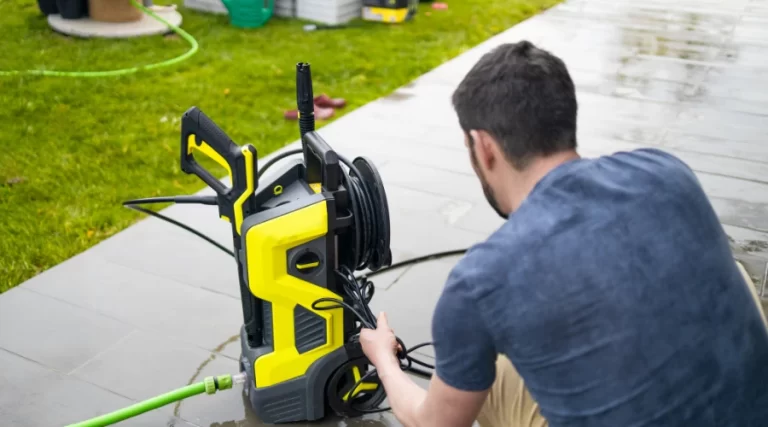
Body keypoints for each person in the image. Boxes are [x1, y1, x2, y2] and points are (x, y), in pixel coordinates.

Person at [359, 40, 768, 427]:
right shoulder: (668, 171)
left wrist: (383, 359)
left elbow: (435, 422)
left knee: (491, 373)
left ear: (483, 147)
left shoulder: (481, 281)